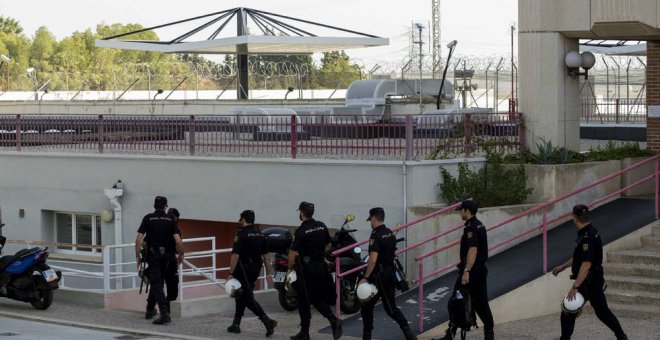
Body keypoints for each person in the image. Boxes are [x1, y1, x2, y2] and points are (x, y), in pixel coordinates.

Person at [551, 204, 628, 340]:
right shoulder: (588, 232)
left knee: (597, 312)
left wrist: (575, 287)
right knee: (573, 310)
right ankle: (621, 336)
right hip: (590, 279)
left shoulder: (588, 237)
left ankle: (621, 336)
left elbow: (586, 265)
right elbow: (579, 257)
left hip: (590, 281)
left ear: (574, 219)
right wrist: (563, 266)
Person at [287, 201, 342, 340]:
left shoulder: (300, 231)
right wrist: (318, 254)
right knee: (316, 297)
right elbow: (329, 244)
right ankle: (329, 322)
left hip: (307, 270)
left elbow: (292, 253)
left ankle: (308, 331)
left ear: (302, 213)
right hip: (321, 267)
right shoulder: (322, 226)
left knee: (304, 299)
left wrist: (289, 269)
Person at [440, 200, 494, 340]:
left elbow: (473, 250)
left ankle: (451, 334)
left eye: (461, 210)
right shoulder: (479, 224)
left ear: (467, 211)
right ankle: (488, 334)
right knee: (478, 302)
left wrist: (467, 271)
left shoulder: (471, 227)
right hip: (478, 270)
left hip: (472, 271)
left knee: (458, 299)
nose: (460, 212)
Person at [359, 207, 416, 340]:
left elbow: (372, 259)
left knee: (369, 306)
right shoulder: (389, 232)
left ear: (374, 218)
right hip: (390, 274)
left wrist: (365, 277)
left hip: (379, 277)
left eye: (370, 220)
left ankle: (367, 337)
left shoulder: (376, 235)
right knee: (390, 308)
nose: (370, 223)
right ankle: (409, 334)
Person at [227, 209, 278, 337]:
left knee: (247, 297)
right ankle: (236, 324)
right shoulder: (261, 235)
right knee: (241, 294)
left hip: (242, 270)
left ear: (243, 220)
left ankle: (267, 321)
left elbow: (235, 255)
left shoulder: (241, 234)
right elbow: (267, 256)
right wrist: (268, 274)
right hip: (255, 270)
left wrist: (230, 273)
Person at [135, 196, 184, 325]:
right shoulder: (170, 220)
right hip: (169, 257)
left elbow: (140, 240)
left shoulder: (148, 218)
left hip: (154, 256)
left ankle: (159, 311)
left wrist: (138, 257)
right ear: (165, 206)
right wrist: (181, 255)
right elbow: (178, 241)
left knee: (156, 283)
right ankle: (160, 311)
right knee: (161, 284)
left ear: (154, 205)